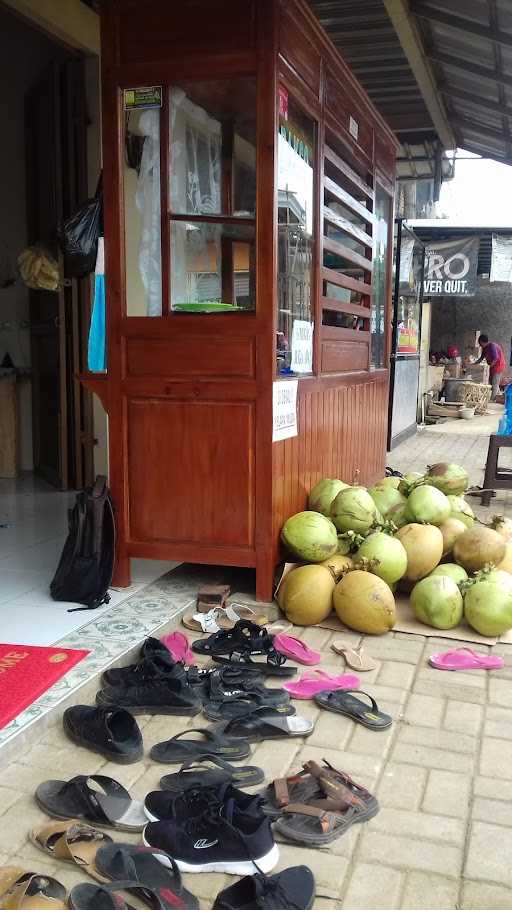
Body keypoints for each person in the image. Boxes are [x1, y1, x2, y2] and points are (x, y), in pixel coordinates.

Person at [477, 334, 506, 400]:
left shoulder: (492, 346)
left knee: (494, 383)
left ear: (482, 342)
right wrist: (474, 364)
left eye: (480, 343)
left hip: (499, 365)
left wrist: (488, 367)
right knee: (492, 382)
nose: (479, 345)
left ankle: (492, 399)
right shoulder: (484, 348)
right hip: (493, 366)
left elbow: (496, 358)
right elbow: (481, 358)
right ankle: (498, 396)